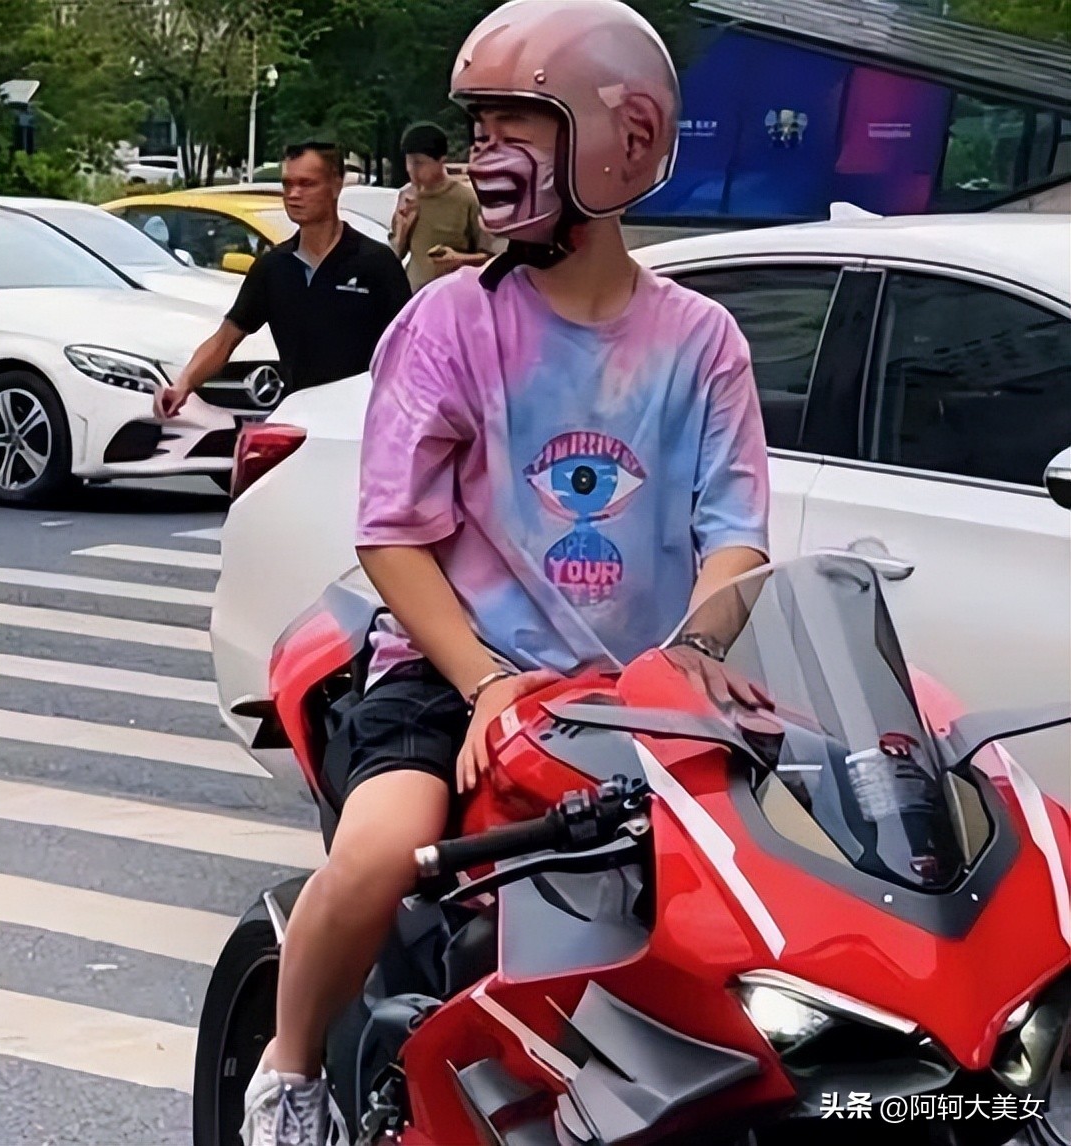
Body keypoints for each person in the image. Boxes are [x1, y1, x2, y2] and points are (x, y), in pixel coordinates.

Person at [239, 3, 770, 1143]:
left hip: (636, 700)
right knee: (383, 848)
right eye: (479, 125)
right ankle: (288, 1077)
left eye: (514, 122)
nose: (485, 151)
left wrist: (694, 654)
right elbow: (391, 533)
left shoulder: (702, 343)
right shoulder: (448, 322)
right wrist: (484, 679)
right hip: (452, 676)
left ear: (620, 135)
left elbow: (735, 533)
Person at [153, 142, 410, 419]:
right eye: (287, 184)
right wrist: (182, 385)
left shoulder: (376, 263)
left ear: (336, 185)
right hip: (298, 418)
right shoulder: (274, 267)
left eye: (307, 184)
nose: (294, 194)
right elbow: (224, 340)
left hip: (365, 420)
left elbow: (410, 350)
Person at [389, 121, 496, 292]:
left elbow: (491, 256)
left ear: (441, 161)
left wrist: (458, 259)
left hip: (453, 295)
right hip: (413, 295)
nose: (411, 169)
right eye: (408, 162)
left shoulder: (466, 199)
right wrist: (403, 227)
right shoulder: (407, 196)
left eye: (419, 163)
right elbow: (395, 255)